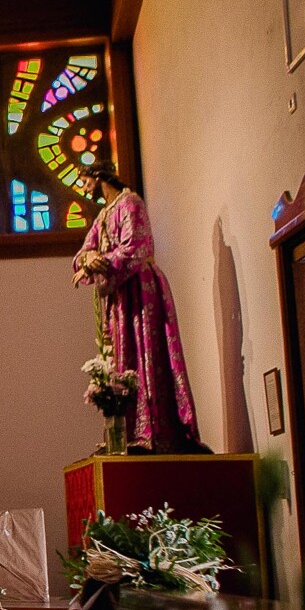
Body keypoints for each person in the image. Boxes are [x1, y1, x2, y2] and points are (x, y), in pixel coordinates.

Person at [72, 163, 207, 453]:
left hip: (141, 288)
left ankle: (155, 431)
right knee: (121, 360)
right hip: (120, 296)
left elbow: (136, 246)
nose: (83, 188)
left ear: (97, 177)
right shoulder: (103, 215)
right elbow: (83, 252)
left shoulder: (130, 203)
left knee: (147, 352)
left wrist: (102, 262)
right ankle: (128, 431)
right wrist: (87, 260)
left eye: (83, 180)